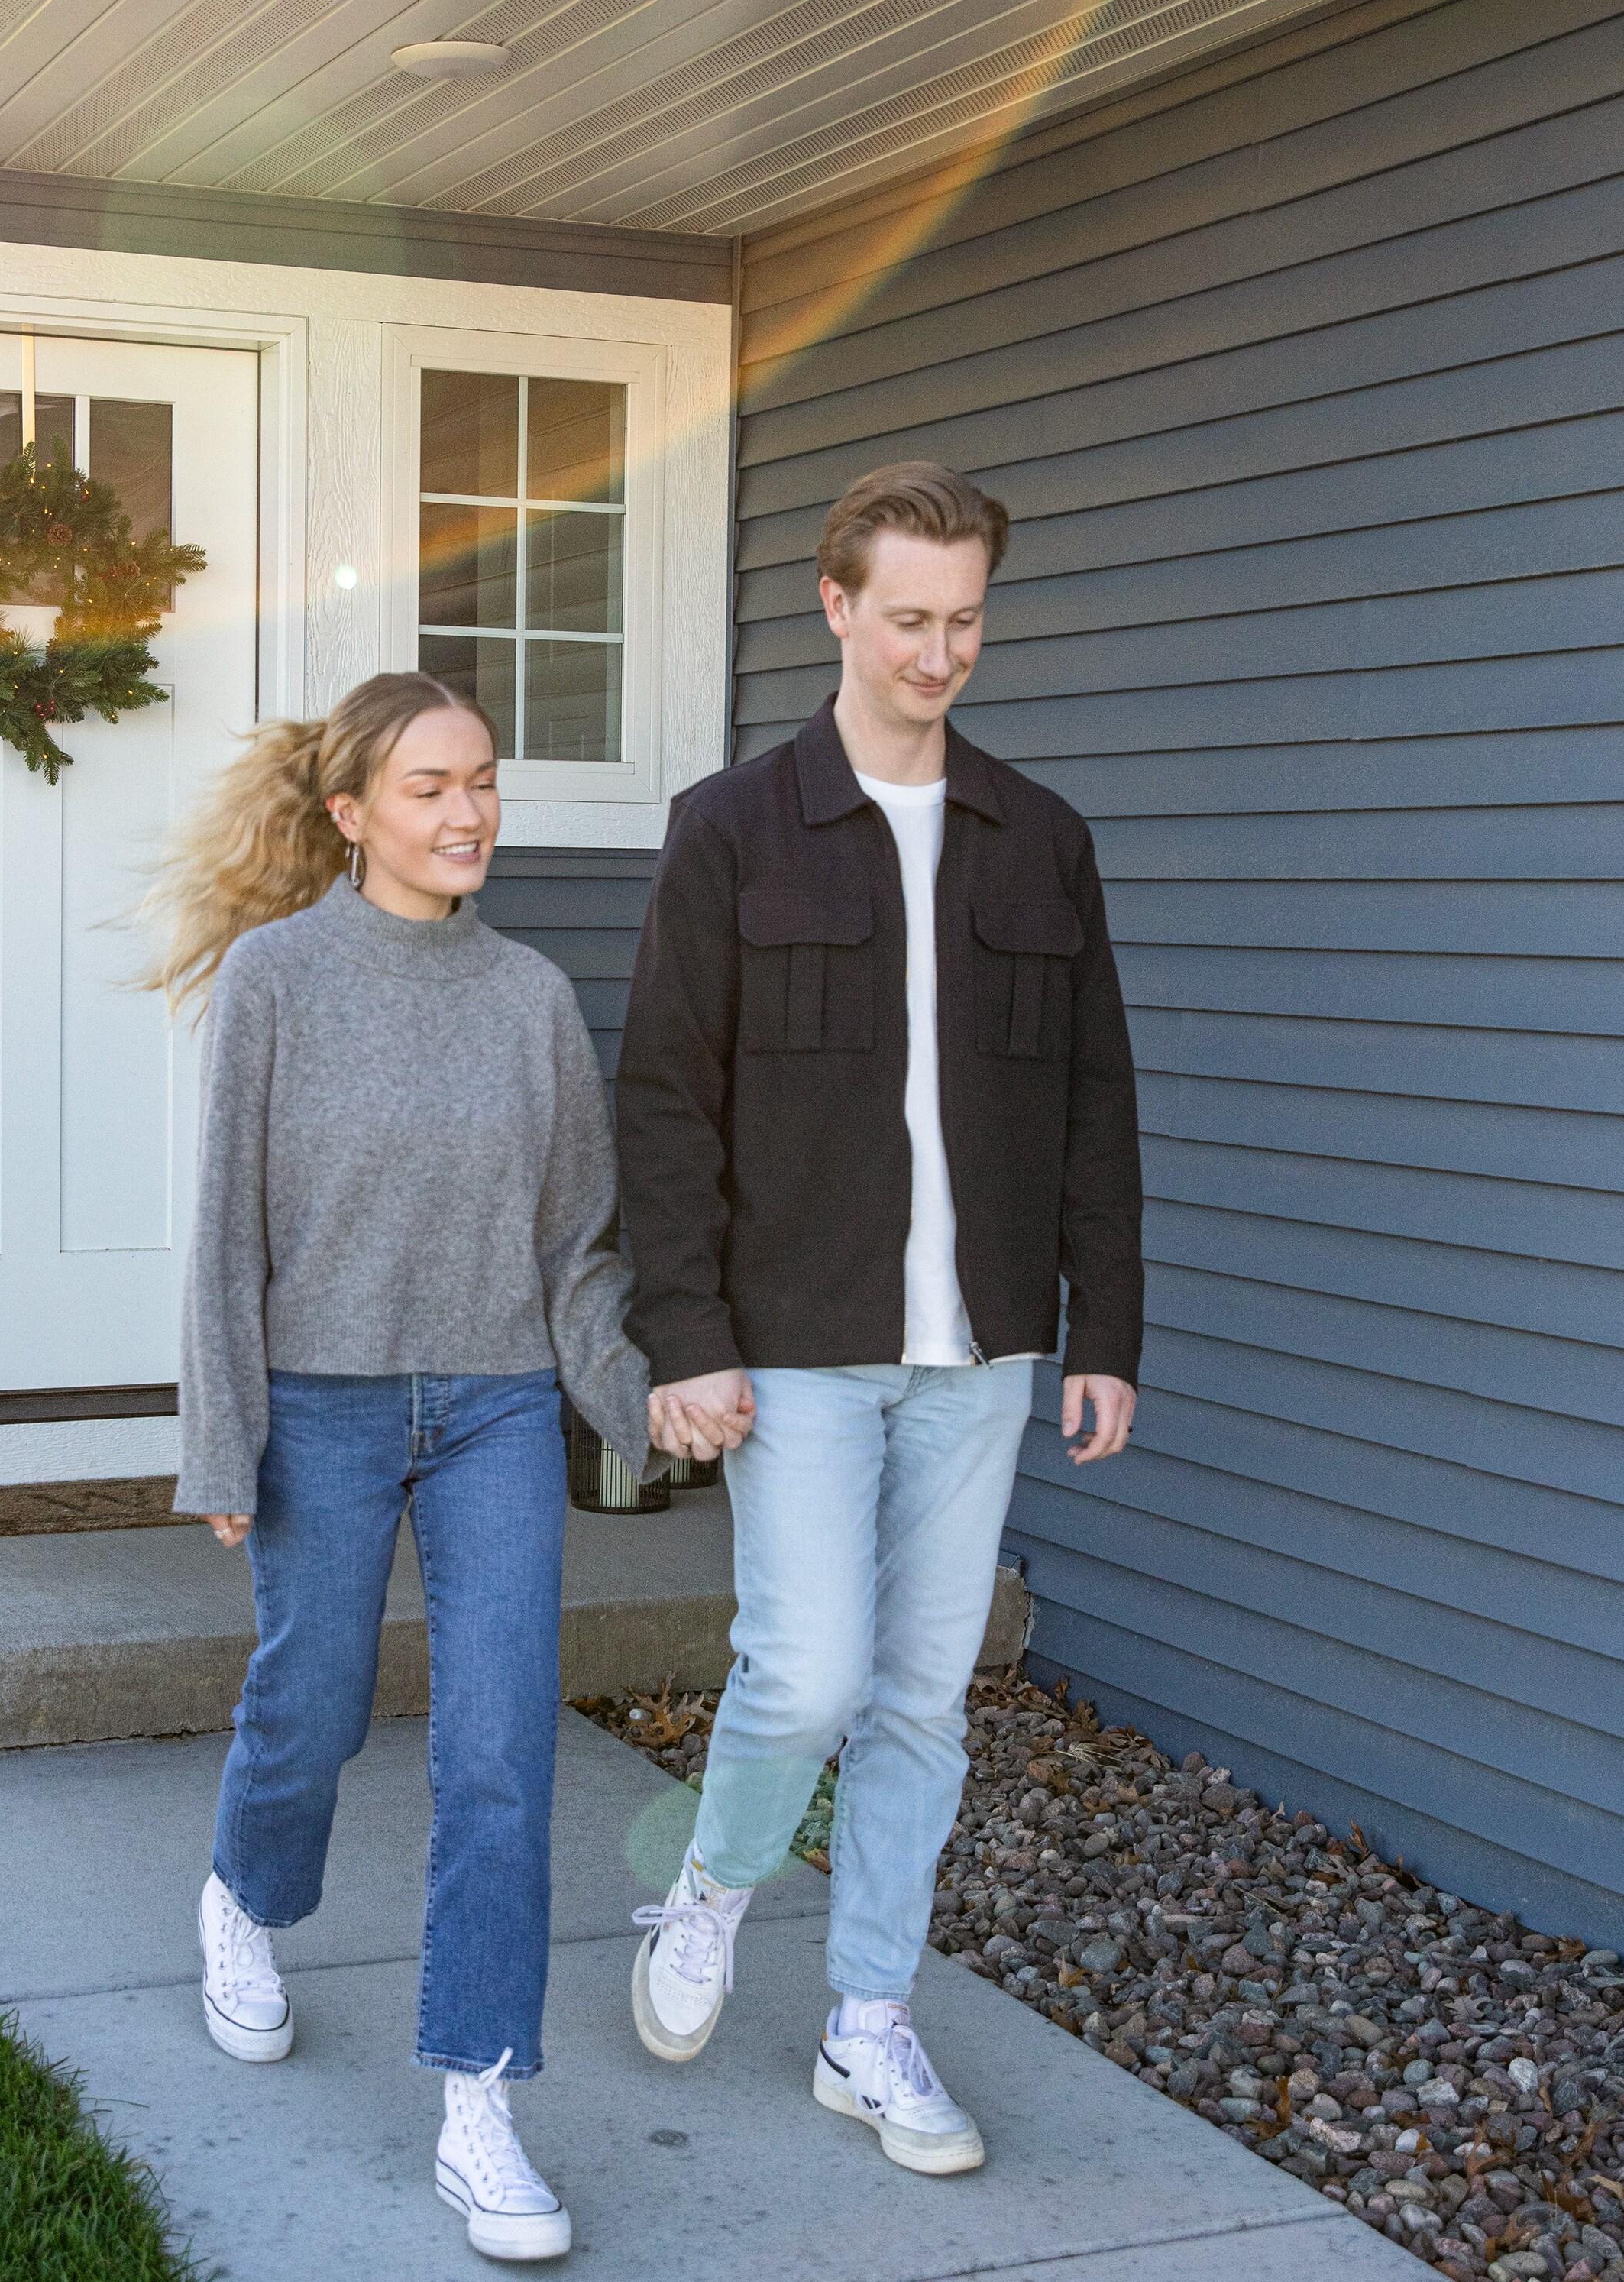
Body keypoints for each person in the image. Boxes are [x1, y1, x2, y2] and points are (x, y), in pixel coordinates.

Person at [618, 461, 1144, 2174]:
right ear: (836, 606)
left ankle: (868, 2019)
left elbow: (1096, 1100)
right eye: (908, 618)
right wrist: (685, 1332)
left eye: (965, 620)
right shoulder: (731, 828)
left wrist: (1106, 1328)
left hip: (982, 1348)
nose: (938, 653)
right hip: (796, 1335)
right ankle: (710, 1887)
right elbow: (665, 1101)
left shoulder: (1042, 837)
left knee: (924, 1693)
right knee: (808, 1673)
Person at [150, 670, 655, 2264]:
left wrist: (635, 1403)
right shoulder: (277, 980)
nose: (469, 812)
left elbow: (577, 1247)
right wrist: (224, 1436)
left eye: (483, 780)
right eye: (432, 787)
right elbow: (227, 1232)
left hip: (498, 1405)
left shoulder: (530, 999)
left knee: (502, 1745)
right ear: (353, 812)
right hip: (326, 1404)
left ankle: (481, 2098)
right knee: (312, 1707)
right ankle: (245, 1896)